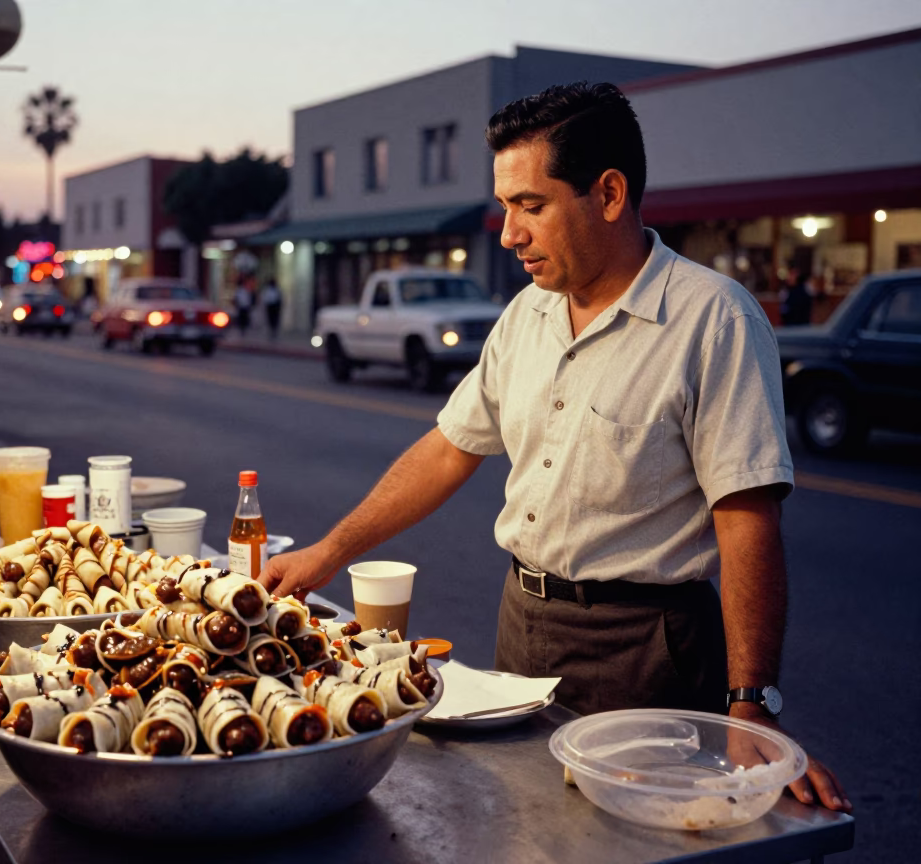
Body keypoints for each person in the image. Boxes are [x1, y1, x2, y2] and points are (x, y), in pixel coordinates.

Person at [260, 82, 850, 813]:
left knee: (629, 844)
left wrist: (751, 703)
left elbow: (747, 522)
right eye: (505, 207)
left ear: (607, 193)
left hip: (649, 649)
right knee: (526, 829)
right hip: (525, 625)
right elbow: (449, 447)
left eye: (530, 205)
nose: (509, 233)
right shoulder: (527, 315)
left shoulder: (713, 320)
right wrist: (329, 552)